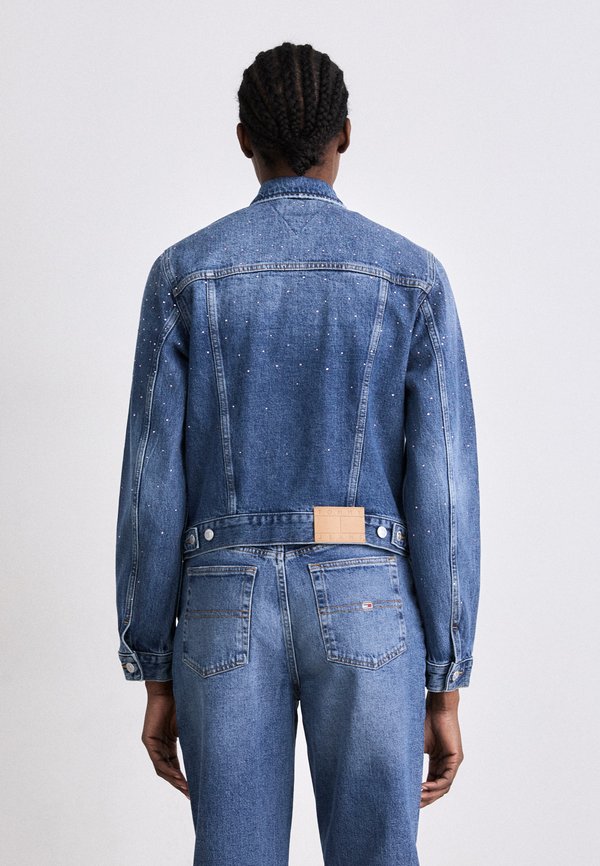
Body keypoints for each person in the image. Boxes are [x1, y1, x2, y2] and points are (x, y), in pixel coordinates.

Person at [115, 41, 481, 866]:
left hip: (222, 602)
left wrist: (156, 666)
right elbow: (445, 491)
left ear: (244, 139)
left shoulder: (183, 276)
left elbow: (149, 484)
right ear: (344, 135)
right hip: (367, 596)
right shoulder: (412, 278)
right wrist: (445, 681)